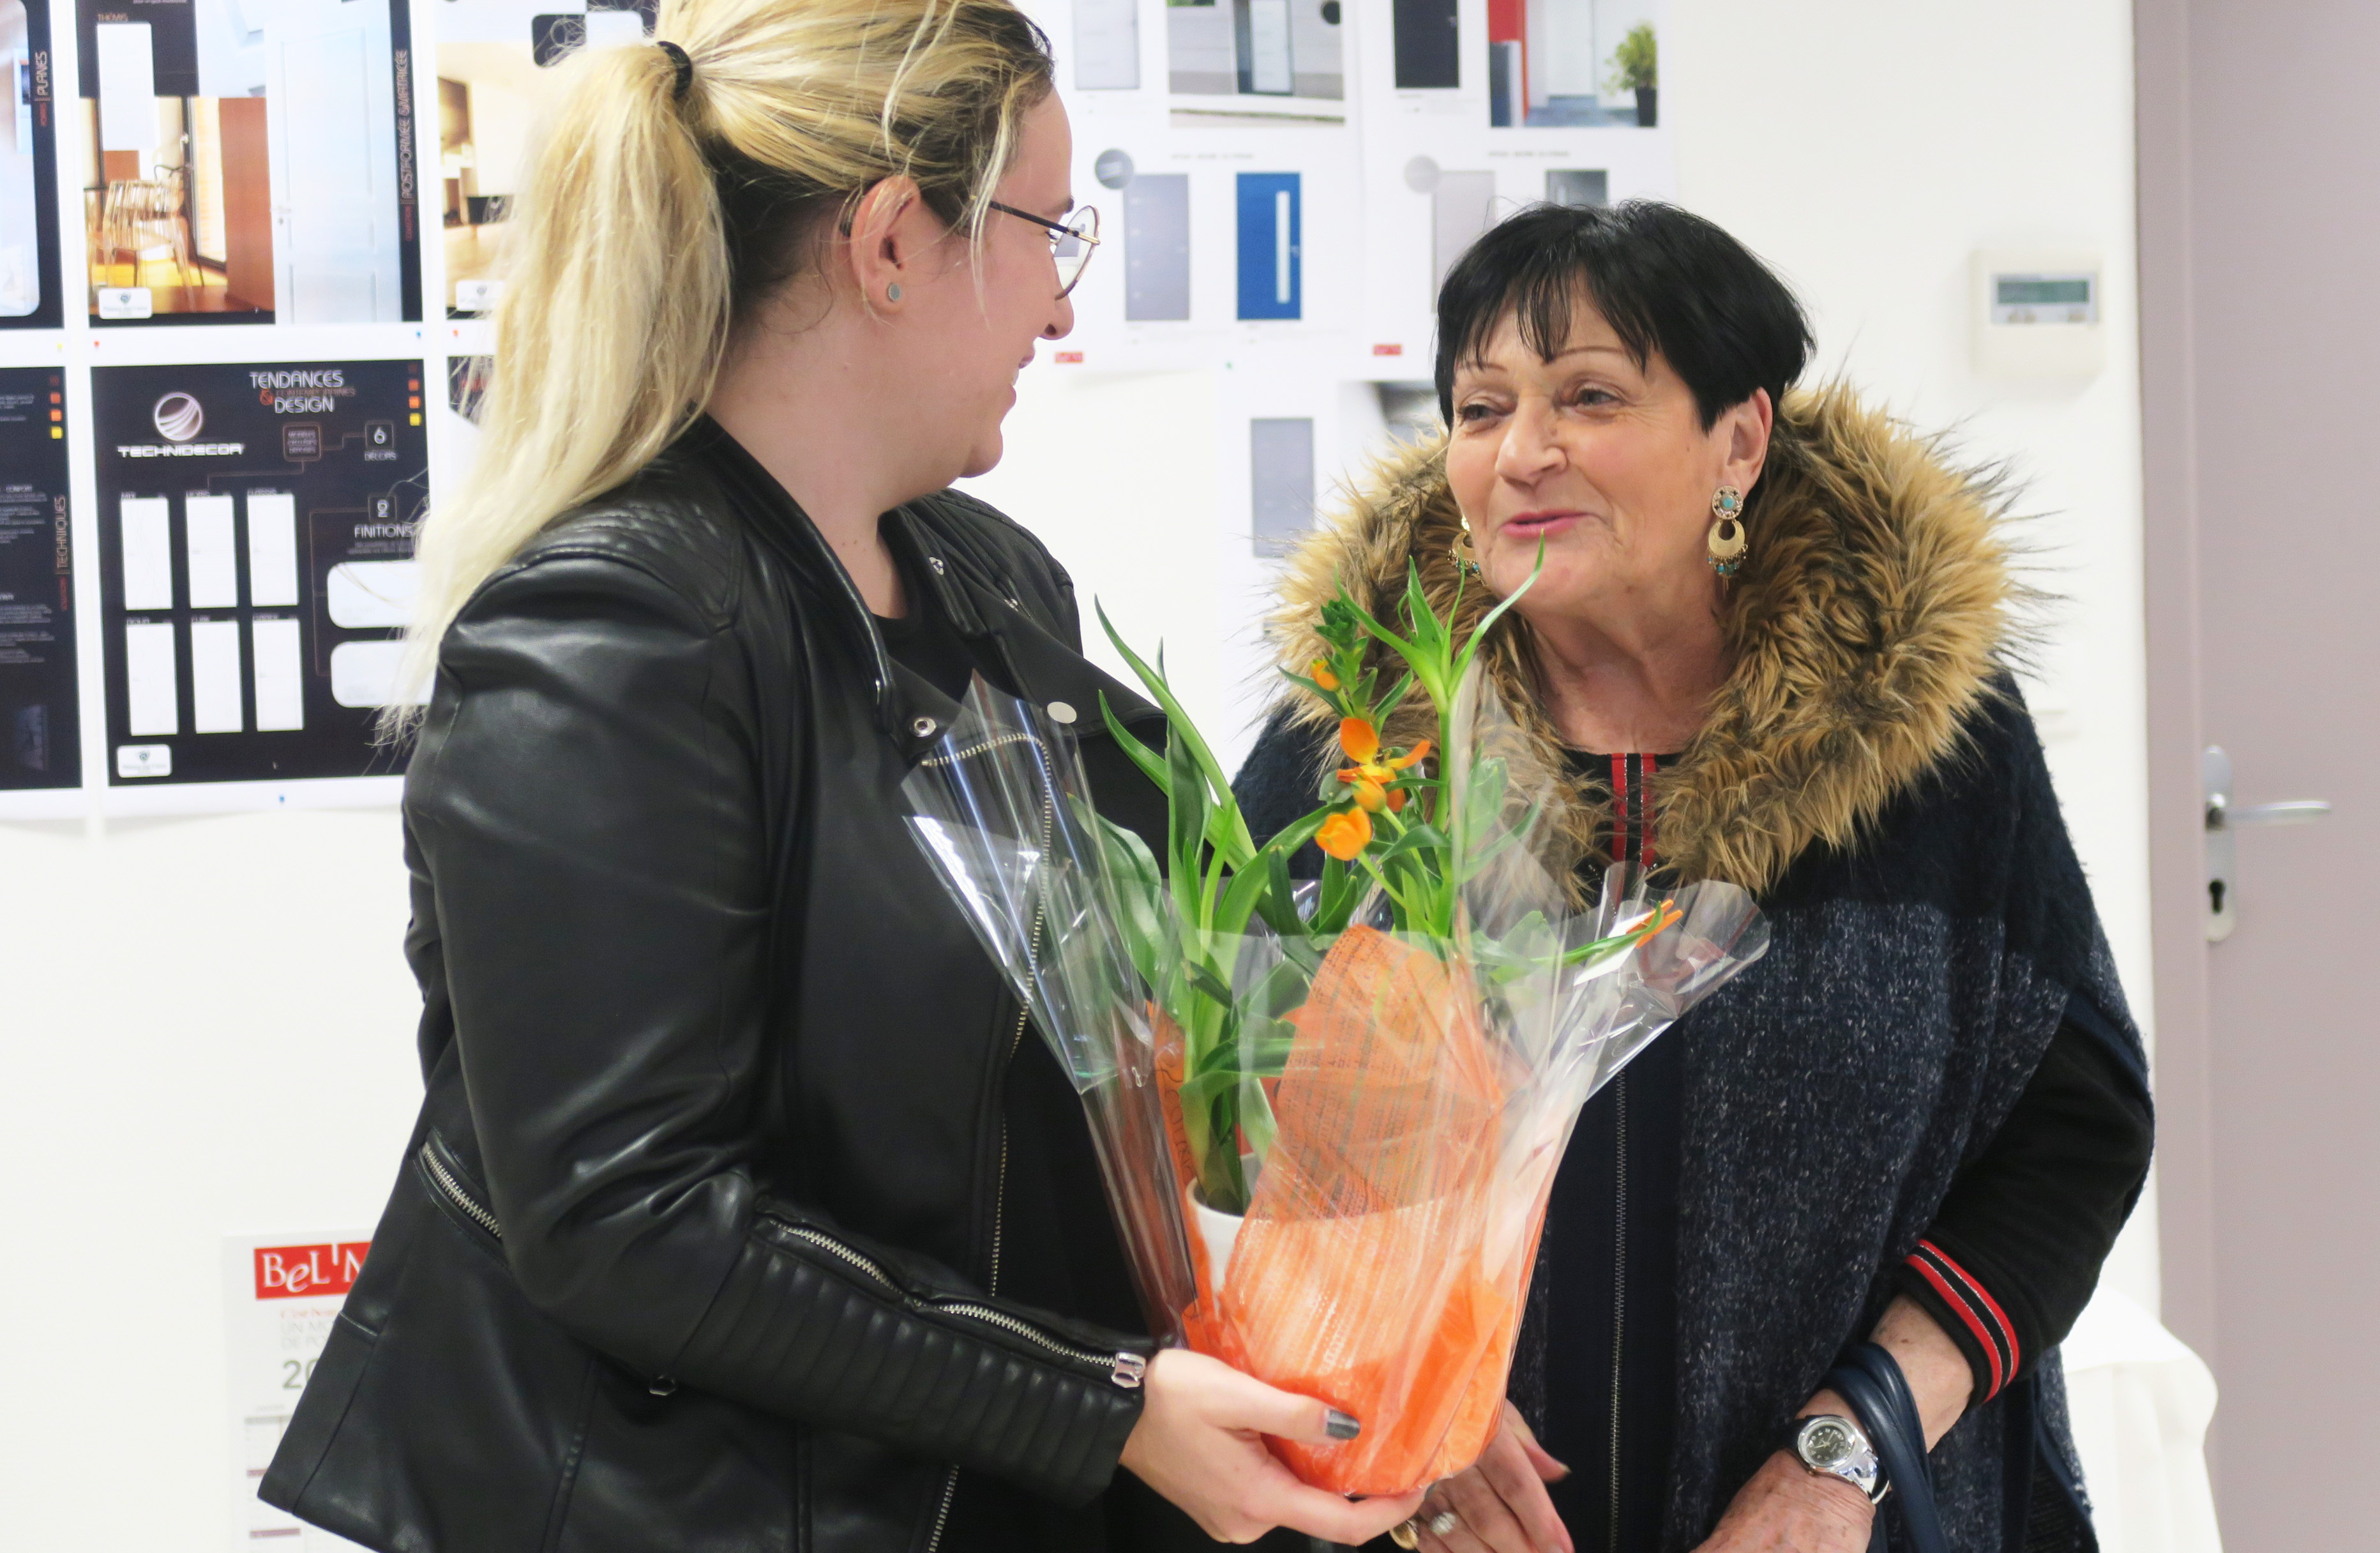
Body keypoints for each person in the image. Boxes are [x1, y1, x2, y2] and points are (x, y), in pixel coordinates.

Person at [259, 3, 1423, 1549]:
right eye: (1043, 232)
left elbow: (1140, 1057)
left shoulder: (990, 586)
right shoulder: (613, 630)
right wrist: (1102, 1402)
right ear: (890, 241)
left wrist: (1361, 1357)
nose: (1058, 311)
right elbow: (628, 1219)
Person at [1234, 201, 2153, 1553]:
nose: (1522, 453)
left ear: (1739, 439)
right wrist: (1383, 1372)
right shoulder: (1359, 745)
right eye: (1480, 408)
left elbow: (2069, 1138)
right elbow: (1219, 1116)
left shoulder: (1926, 758)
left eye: (1588, 396)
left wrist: (1851, 1447)